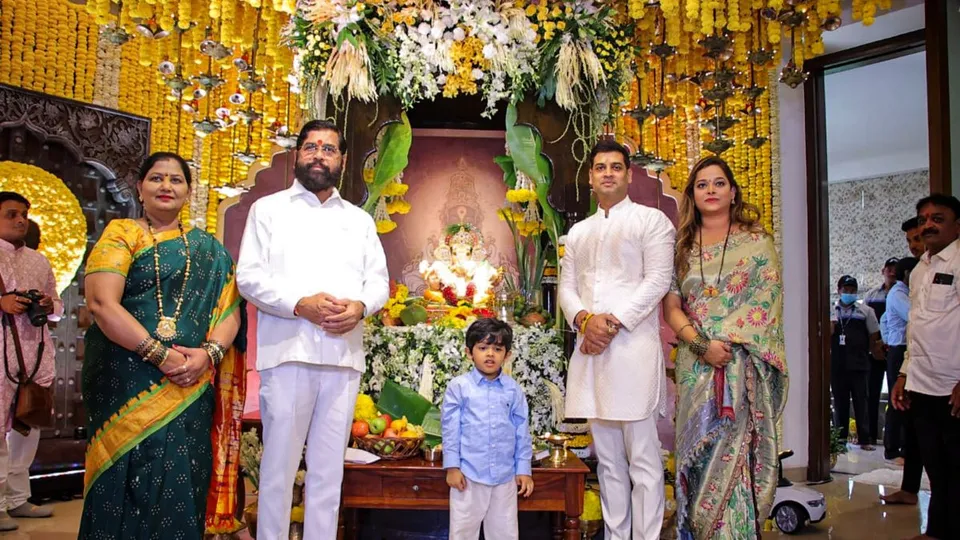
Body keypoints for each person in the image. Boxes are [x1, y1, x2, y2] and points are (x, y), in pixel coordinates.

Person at [79, 153, 246, 538]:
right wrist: (160, 354)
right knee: (123, 477)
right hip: (125, 378)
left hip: (190, 384)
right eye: (156, 178)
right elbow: (102, 303)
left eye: (176, 180)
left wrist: (209, 355)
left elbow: (231, 309)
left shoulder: (210, 250)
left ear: (189, 192)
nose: (166, 187)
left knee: (181, 478)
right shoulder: (122, 234)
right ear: (140, 188)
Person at [236, 120, 389, 539]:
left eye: (328, 148)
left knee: (328, 472)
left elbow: (379, 282)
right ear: (297, 154)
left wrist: (360, 306)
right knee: (278, 469)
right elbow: (248, 276)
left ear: (341, 160)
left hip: (342, 358)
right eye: (310, 147)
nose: (319, 154)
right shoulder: (267, 210)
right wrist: (299, 304)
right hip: (287, 353)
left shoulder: (359, 221)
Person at [661, 156, 787, 539]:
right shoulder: (680, 246)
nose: (711, 191)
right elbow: (671, 307)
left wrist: (725, 343)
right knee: (695, 457)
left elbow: (767, 301)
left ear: (733, 192)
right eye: (702, 184)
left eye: (718, 183)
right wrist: (701, 345)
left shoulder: (757, 242)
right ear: (692, 194)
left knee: (734, 457)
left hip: (739, 365)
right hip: (696, 365)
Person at [558, 139, 674, 540]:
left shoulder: (652, 221)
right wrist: (585, 319)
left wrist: (610, 324)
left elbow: (657, 280)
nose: (608, 173)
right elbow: (566, 289)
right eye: (600, 167)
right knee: (606, 459)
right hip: (591, 353)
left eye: (616, 167)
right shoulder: (578, 232)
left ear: (628, 174)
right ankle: (615, 534)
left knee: (643, 458)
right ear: (590, 177)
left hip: (632, 350)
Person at [891, 194, 960, 540]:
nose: (928, 224)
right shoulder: (919, 270)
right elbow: (914, 327)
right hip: (921, 383)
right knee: (936, 467)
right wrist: (904, 373)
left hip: (953, 387)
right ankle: (936, 531)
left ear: (957, 224)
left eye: (938, 218)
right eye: (923, 219)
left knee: (956, 468)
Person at [442, 318, 534, 540]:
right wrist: (452, 467)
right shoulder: (459, 388)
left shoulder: (513, 391)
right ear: (469, 352)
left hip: (505, 477)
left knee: (505, 534)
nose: (490, 354)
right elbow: (450, 428)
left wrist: (524, 469)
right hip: (468, 477)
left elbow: (522, 431)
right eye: (483, 348)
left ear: (508, 354)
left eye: (497, 348)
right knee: (462, 533)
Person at [0, 193, 60, 531]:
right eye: (11, 214)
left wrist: (50, 305)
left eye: (24, 214)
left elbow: (57, 305)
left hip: (33, 353)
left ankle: (18, 499)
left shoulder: (39, 261)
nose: (20, 220)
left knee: (27, 425)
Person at [878, 256, 921, 505]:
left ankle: (902, 450)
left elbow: (884, 320)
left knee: (907, 405)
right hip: (900, 351)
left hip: (905, 349)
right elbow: (916, 316)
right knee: (898, 401)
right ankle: (892, 449)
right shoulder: (899, 293)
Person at [830, 275, 882, 449]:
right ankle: (840, 441)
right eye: (846, 290)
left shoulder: (865, 311)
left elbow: (874, 335)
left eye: (852, 291)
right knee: (840, 402)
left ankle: (865, 439)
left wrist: (873, 351)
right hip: (837, 365)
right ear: (839, 291)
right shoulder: (832, 310)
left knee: (862, 402)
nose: (849, 293)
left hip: (860, 364)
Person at [863, 257, 899, 446]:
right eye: (889, 269)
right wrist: (874, 346)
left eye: (895, 269)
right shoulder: (871, 295)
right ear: (882, 271)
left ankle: (896, 440)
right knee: (871, 393)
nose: (892, 272)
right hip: (875, 351)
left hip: (896, 349)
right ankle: (870, 435)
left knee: (897, 393)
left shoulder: (903, 293)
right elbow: (867, 324)